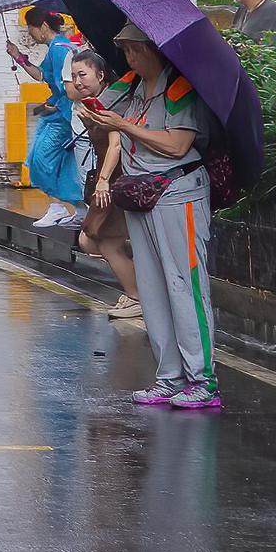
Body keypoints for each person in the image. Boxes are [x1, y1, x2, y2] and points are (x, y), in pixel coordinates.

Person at [79, 23, 222, 412]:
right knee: (154, 287)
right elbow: (101, 115)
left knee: (184, 284)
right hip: (143, 193)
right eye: (125, 52)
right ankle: (169, 376)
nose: (130, 59)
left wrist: (124, 126)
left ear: (153, 49)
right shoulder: (132, 86)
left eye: (134, 50)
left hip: (179, 193)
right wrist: (96, 113)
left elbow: (178, 144)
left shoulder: (179, 88)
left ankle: (202, 379)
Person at [66, 48, 141, 320]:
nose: (77, 82)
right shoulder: (96, 103)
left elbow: (116, 145)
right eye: (73, 76)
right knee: (91, 239)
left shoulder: (110, 103)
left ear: (100, 74)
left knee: (102, 240)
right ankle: (138, 285)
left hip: (115, 177)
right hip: (108, 177)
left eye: (82, 74)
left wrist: (104, 181)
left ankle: (137, 295)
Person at [9, 5, 84, 227]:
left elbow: (68, 88)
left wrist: (55, 107)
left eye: (31, 28)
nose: (30, 34)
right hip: (56, 113)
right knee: (59, 162)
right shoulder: (55, 48)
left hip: (62, 116)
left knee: (41, 159)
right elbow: (43, 75)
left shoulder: (61, 50)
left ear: (42, 26)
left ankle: (59, 206)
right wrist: (19, 57)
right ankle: (77, 208)